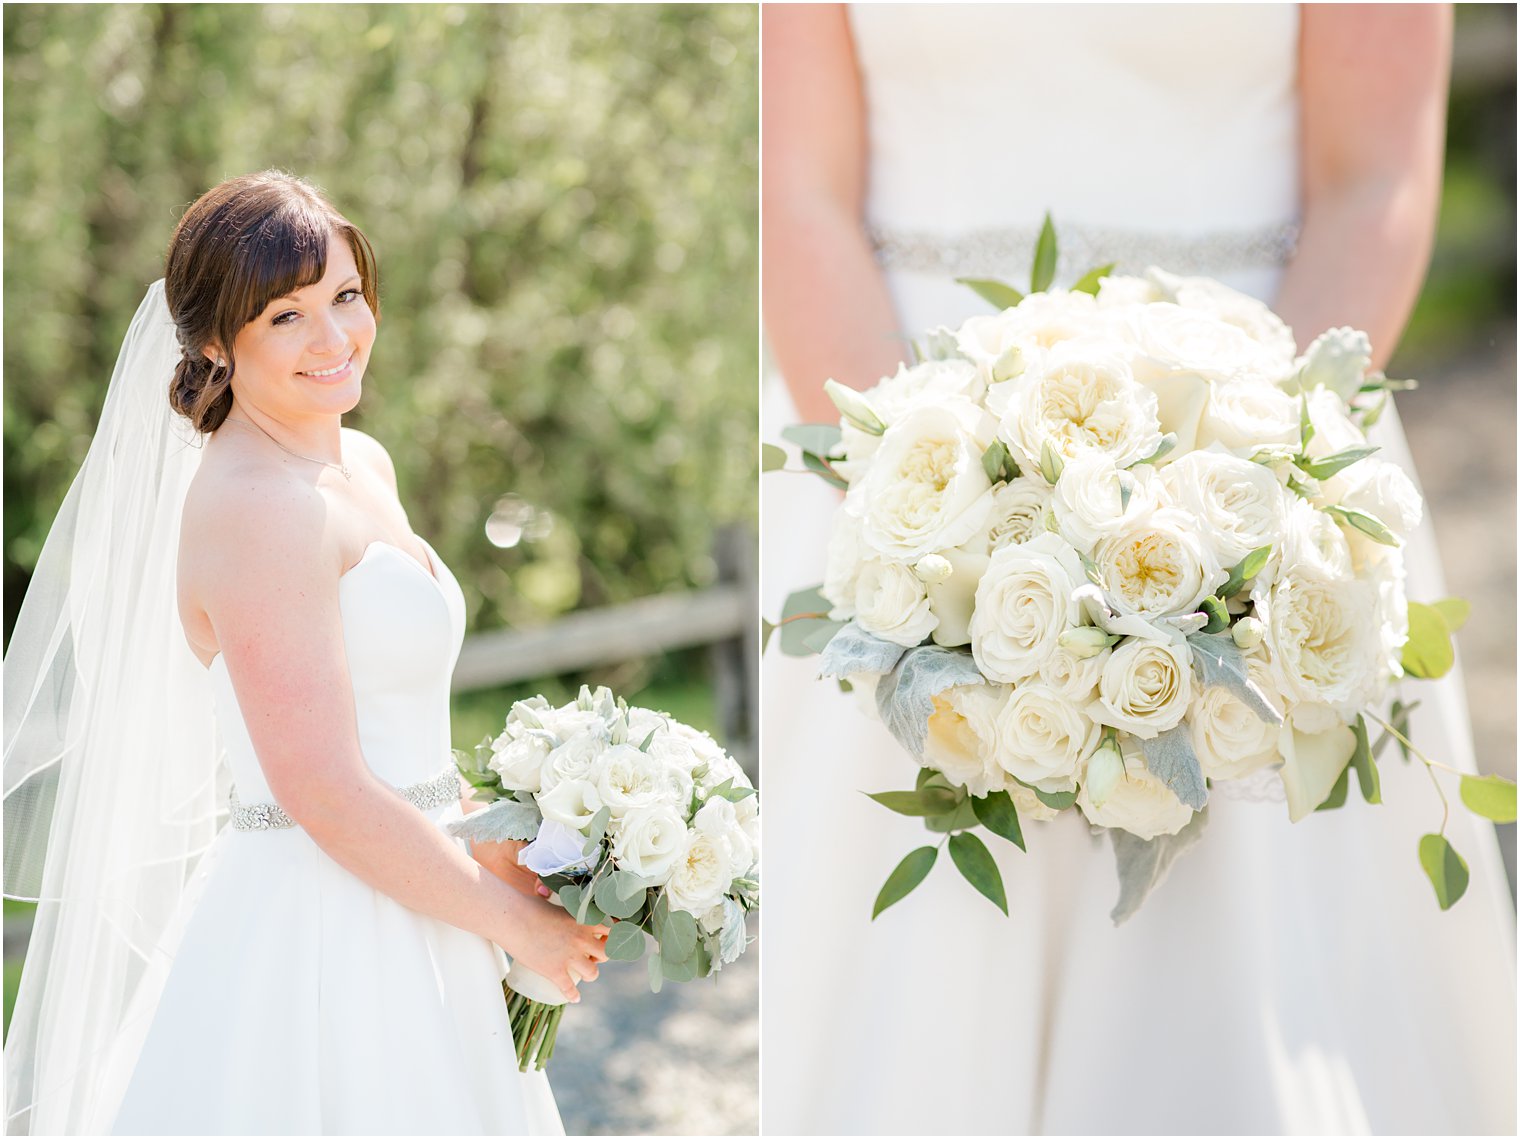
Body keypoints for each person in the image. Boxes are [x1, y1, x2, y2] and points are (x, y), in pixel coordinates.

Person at [760, 5, 1515, 1134]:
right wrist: (921, 516)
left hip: (1262, 435)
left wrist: (1255, 502)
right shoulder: (899, 478)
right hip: (890, 436)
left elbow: (1372, 183)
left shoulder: (1261, 476)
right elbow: (797, 188)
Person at [3, 171, 607, 1135]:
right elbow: (321, 786)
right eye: (286, 317)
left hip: (421, 890)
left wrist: (507, 845)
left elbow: (393, 729)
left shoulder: (359, 463)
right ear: (213, 343)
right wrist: (511, 924)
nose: (334, 339)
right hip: (324, 927)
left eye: (346, 296)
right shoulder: (256, 506)